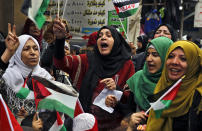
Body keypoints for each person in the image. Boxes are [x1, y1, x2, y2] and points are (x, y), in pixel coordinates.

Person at [53, 16, 135, 130]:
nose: (103, 38)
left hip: (116, 126)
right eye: (100, 36)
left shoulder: (127, 64)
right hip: (87, 125)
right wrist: (60, 39)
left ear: (116, 41)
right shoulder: (87, 60)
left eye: (108, 35)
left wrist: (117, 89)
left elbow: (130, 98)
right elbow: (61, 63)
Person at [106, 37, 173, 130]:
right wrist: (116, 104)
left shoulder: (173, 83)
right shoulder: (138, 78)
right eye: (148, 54)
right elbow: (129, 108)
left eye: (155, 54)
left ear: (166, 57)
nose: (149, 59)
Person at [146, 40, 202, 131]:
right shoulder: (162, 87)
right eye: (170, 57)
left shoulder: (199, 98)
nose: (174, 62)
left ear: (194, 64)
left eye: (183, 58)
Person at [1, 34, 53, 118]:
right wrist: (8, 52)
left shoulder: (46, 77)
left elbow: (53, 111)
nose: (32, 52)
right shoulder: (8, 76)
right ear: (17, 53)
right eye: (26, 49)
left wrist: (30, 116)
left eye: (35, 49)